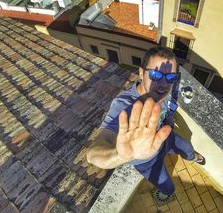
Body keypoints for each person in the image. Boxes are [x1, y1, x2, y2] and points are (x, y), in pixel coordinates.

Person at [86, 46, 205, 204]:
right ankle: (165, 195)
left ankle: (193, 158)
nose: (163, 84)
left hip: (165, 136)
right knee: (168, 188)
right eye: (155, 75)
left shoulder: (170, 86)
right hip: (145, 160)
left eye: (170, 77)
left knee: (189, 150)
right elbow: (93, 153)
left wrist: (168, 118)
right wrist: (123, 155)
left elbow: (171, 101)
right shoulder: (124, 105)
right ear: (141, 73)